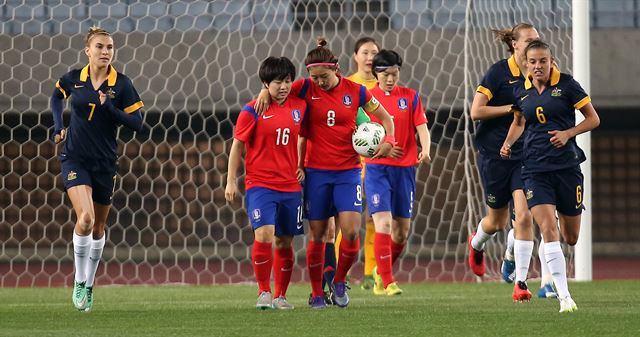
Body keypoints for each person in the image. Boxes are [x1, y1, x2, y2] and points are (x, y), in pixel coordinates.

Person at [256, 37, 396, 309]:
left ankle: (340, 281)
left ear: (336, 69)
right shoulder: (304, 88)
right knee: (318, 235)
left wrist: (389, 140)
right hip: (316, 173)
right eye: (314, 77)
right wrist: (263, 92)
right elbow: (277, 91)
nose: (318, 82)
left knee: (352, 232)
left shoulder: (356, 92)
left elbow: (387, 118)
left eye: (323, 76)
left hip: (348, 172)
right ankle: (317, 293)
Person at [500, 39, 600, 312]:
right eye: (532, 62)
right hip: (534, 169)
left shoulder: (567, 85)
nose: (538, 66)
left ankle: (560, 218)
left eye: (542, 61)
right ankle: (565, 297)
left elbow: (593, 119)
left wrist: (568, 133)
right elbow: (519, 122)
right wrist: (508, 143)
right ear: (527, 64)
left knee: (571, 237)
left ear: (551, 60)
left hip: (567, 168)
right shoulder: (522, 91)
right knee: (547, 228)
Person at [51, 26, 144, 312]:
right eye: (100, 47)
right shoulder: (74, 78)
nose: (106, 52)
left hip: (105, 162)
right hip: (75, 158)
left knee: (100, 227)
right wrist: (58, 126)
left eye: (110, 47)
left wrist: (111, 110)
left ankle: (89, 285)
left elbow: (138, 123)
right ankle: (79, 281)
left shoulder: (122, 84)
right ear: (87, 51)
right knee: (87, 219)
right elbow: (56, 97)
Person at [226, 56, 307, 310]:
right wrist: (230, 181)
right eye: (276, 83)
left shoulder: (300, 106)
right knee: (264, 234)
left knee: (285, 241)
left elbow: (317, 80)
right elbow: (237, 145)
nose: (283, 87)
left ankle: (281, 296)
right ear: (265, 83)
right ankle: (263, 292)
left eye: (287, 81)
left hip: (291, 186)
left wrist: (302, 165)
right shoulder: (252, 110)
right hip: (260, 184)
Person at [468, 23, 538, 301]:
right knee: (496, 221)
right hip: (494, 154)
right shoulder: (499, 72)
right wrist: (509, 109)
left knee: (524, 216)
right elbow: (476, 111)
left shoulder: (539, 72)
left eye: (537, 39)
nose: (535, 43)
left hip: (526, 153)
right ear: (515, 45)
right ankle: (476, 244)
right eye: (530, 40)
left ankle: (520, 281)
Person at [365, 50, 431, 296]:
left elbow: (421, 127)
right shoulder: (368, 99)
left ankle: (380, 273)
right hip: (377, 170)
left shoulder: (410, 97)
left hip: (405, 171)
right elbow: (361, 136)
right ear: (376, 75)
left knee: (401, 233)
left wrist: (426, 148)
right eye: (386, 75)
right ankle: (388, 281)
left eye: (394, 74)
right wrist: (381, 150)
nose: (391, 79)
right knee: (383, 223)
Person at [345, 36, 381, 291]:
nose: (370, 58)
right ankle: (341, 270)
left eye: (374, 53)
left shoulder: (385, 85)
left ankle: (371, 271)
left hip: (379, 162)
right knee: (346, 218)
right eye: (365, 53)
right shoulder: (347, 85)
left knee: (375, 217)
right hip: (350, 162)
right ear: (356, 56)